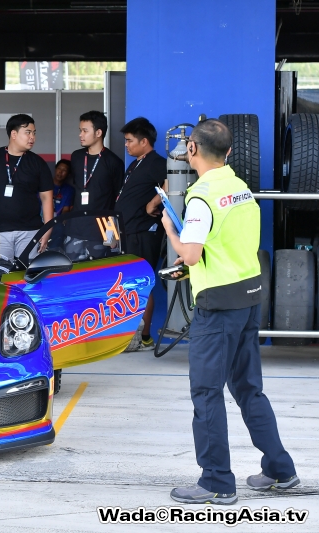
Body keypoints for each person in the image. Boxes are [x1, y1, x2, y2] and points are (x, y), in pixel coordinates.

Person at [163, 119, 298, 505]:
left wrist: (171, 231)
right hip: (250, 297)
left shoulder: (201, 195)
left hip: (218, 305)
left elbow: (189, 254)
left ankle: (217, 481)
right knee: (248, 388)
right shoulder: (240, 188)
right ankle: (280, 469)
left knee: (206, 392)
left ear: (191, 150)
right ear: (230, 152)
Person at [0, 114, 54, 262]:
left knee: (29, 276)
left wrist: (47, 229)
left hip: (30, 230)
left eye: (34, 133)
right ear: (13, 134)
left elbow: (47, 198)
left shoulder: (38, 163)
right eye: (27, 132)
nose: (32, 137)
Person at [115, 117, 167, 351]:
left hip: (144, 233)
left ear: (144, 141)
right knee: (128, 285)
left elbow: (171, 183)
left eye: (129, 141)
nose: (126, 145)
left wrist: (152, 204)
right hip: (128, 232)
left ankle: (144, 337)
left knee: (141, 284)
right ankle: (132, 335)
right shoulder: (136, 163)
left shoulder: (157, 162)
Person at [71, 110, 124, 211]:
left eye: (85, 131)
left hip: (101, 222)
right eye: (80, 130)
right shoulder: (76, 156)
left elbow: (118, 195)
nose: (80, 135)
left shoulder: (114, 162)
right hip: (77, 221)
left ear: (98, 132)